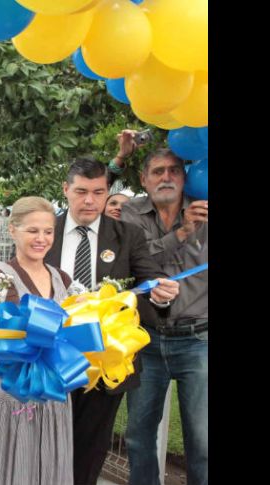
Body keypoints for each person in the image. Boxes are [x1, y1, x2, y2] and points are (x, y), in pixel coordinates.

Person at [43, 157, 180, 485]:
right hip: (50, 354)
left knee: (92, 446)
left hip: (106, 359)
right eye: (81, 192)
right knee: (47, 441)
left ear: (107, 193)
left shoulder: (127, 235)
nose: (89, 200)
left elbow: (149, 278)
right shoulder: (47, 231)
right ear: (66, 190)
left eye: (97, 192)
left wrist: (162, 294)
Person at [121, 148, 208, 485]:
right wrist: (183, 232)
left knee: (202, 441)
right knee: (138, 436)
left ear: (186, 176)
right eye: (157, 171)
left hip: (198, 339)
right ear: (144, 179)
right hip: (146, 339)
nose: (166, 177)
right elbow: (137, 262)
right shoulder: (130, 213)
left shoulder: (205, 205)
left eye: (174, 170)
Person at [0, 196, 74, 485]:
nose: (42, 239)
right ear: (13, 230)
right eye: (33, 231)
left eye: (48, 231)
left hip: (54, 398)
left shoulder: (62, 278)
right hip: (15, 398)